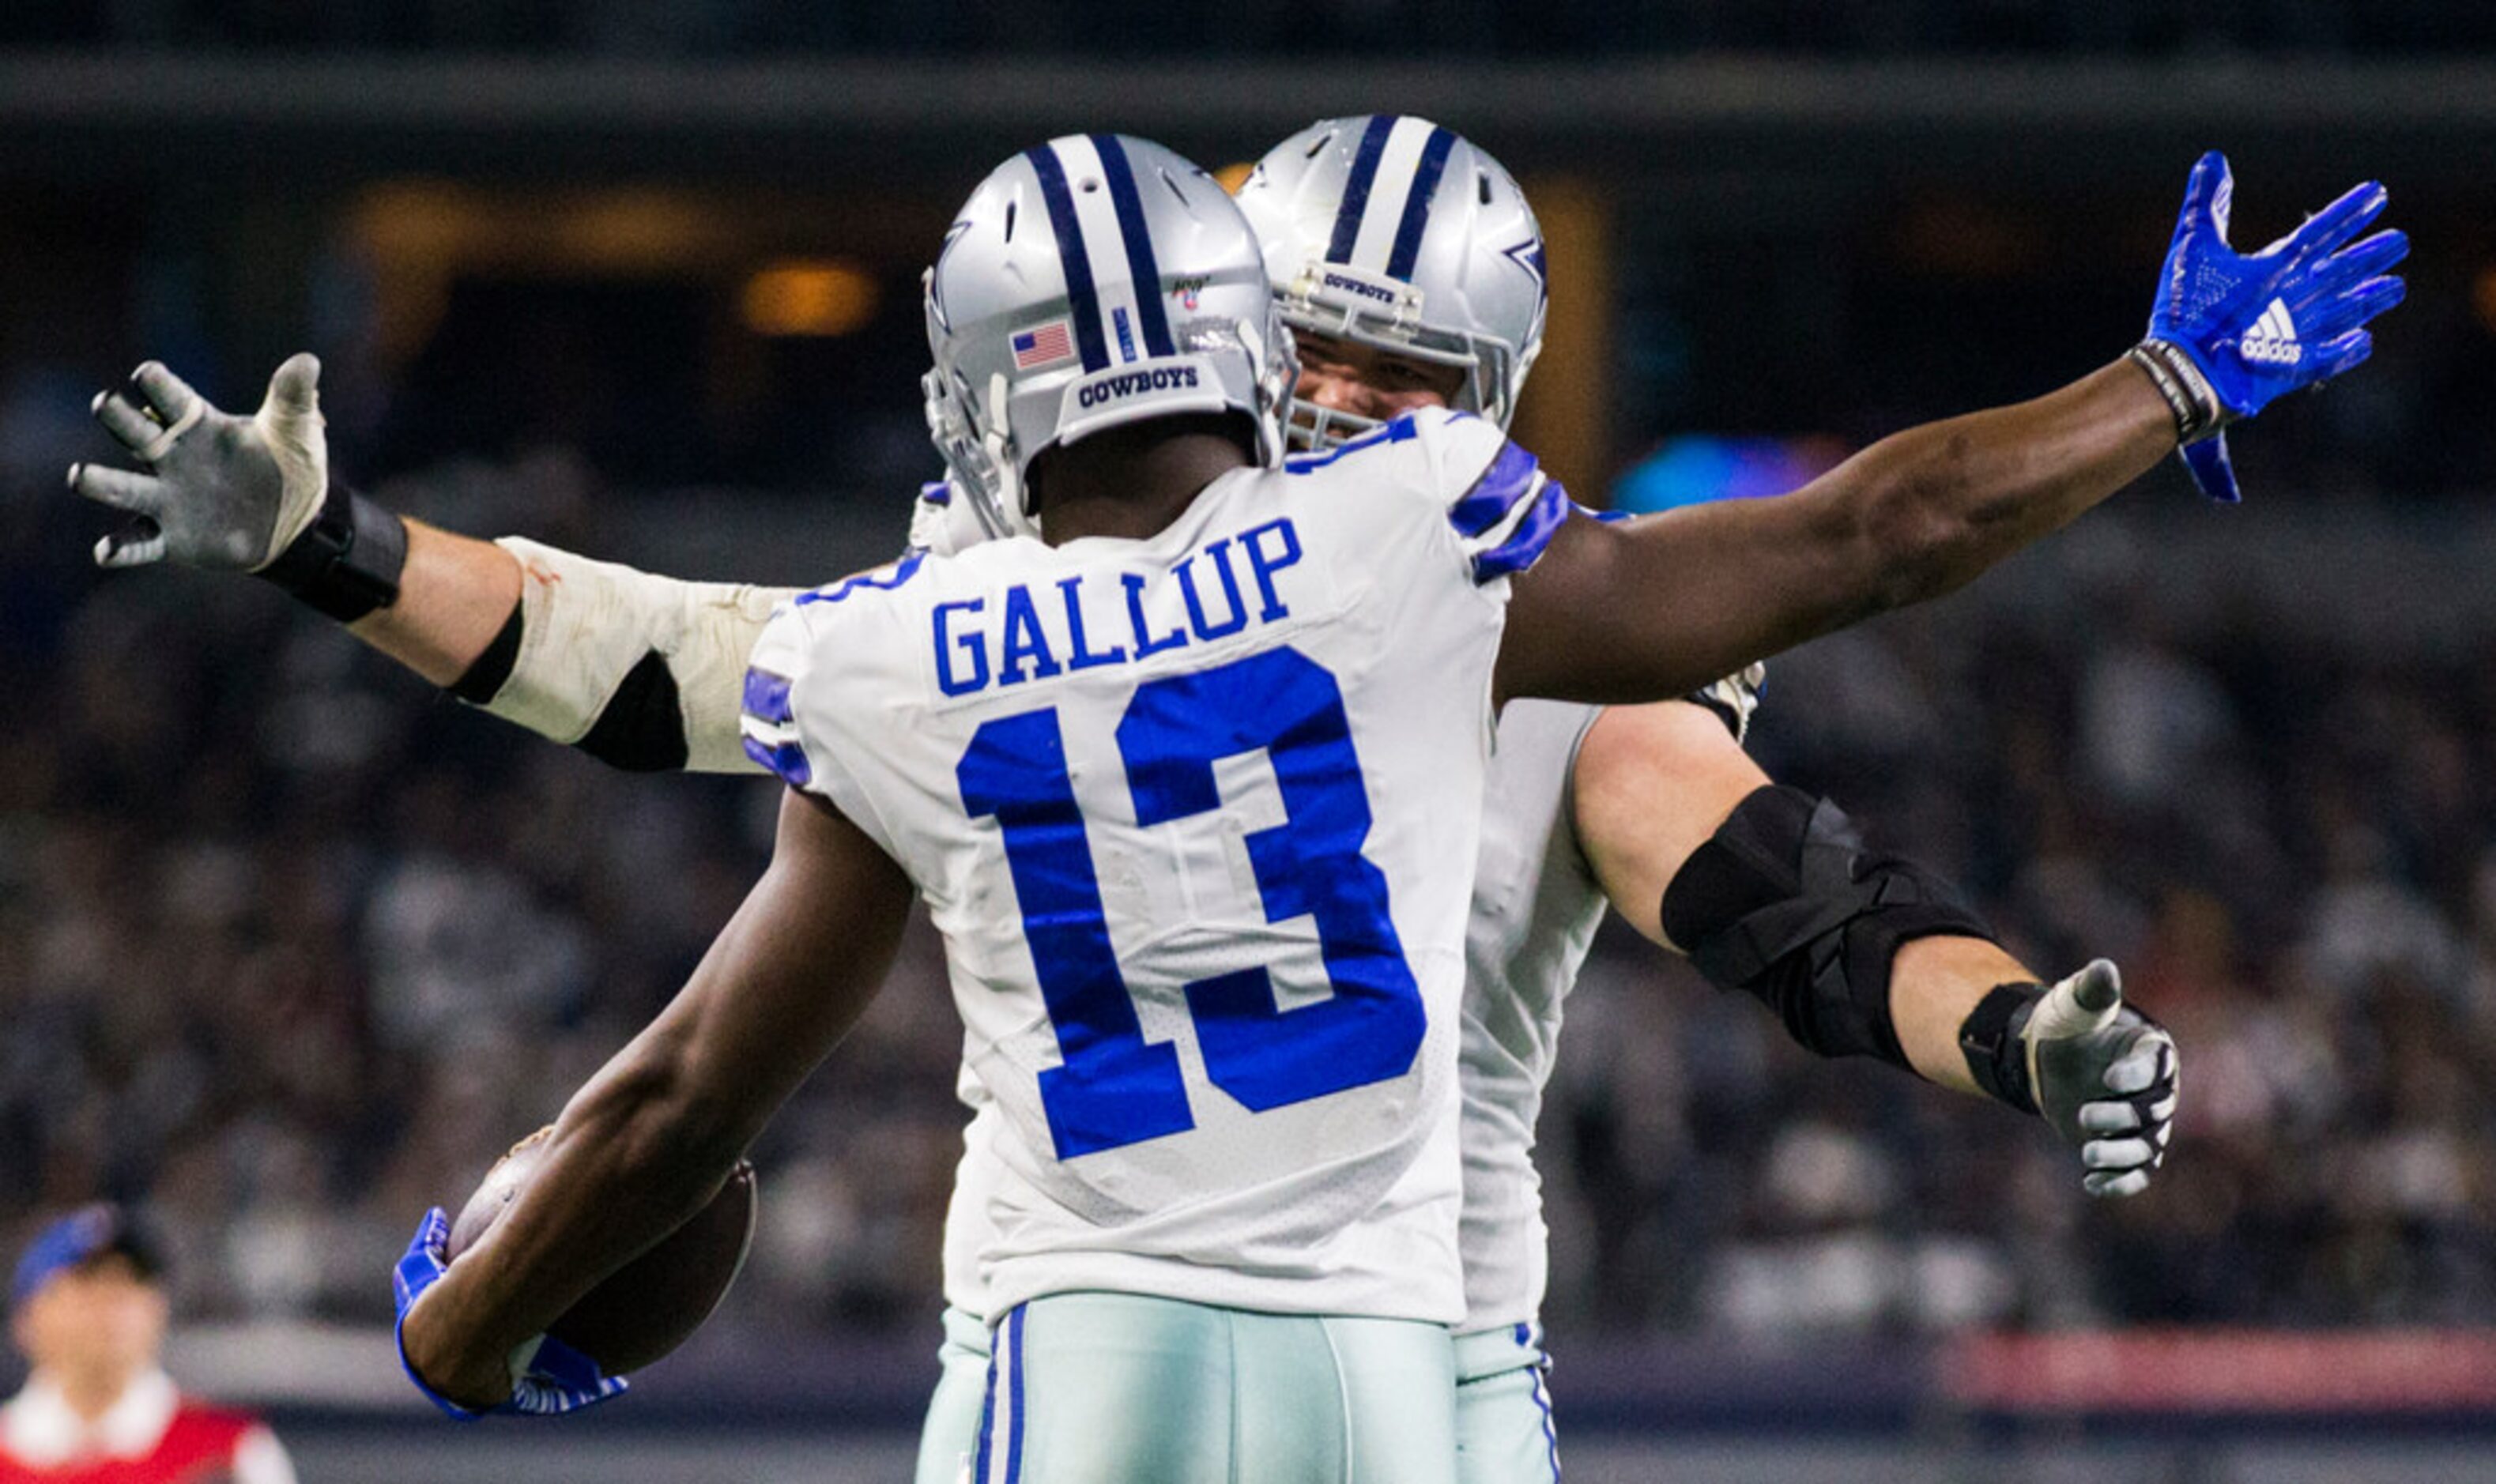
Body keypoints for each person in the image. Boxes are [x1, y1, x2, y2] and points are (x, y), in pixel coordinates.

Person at [67, 133, 2396, 1481]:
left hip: (1210, 1338)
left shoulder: (1297, 595)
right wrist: (341, 548)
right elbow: (657, 659)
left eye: (1405, 375)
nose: (1359, 402)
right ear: (1228, 351)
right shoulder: (1436, 554)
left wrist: (2007, 1032)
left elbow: (1793, 894)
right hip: (1396, 1375)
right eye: (1318, 362)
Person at [2, 1207, 296, 1484]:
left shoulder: (229, 1454)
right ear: (26, 1318)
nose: (113, 1302)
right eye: (87, 1281)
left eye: (134, 1281)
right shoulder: (9, 1450)